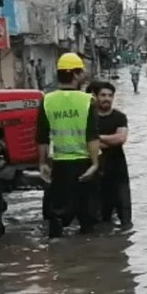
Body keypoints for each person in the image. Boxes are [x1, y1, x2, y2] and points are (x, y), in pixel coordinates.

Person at [36, 52, 100, 238]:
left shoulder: (47, 100)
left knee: (57, 213)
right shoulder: (88, 100)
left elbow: (42, 136)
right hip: (84, 163)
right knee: (87, 216)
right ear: (76, 74)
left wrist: (42, 164)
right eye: (82, 71)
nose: (85, 75)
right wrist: (95, 164)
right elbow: (92, 135)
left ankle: (57, 258)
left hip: (58, 163)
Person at [91, 81, 132, 227]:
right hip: (97, 171)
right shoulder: (90, 117)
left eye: (110, 95)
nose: (106, 98)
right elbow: (85, 143)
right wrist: (109, 139)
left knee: (125, 215)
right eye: (103, 95)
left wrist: (96, 137)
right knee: (101, 216)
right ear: (95, 96)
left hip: (118, 169)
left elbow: (121, 138)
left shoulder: (119, 117)